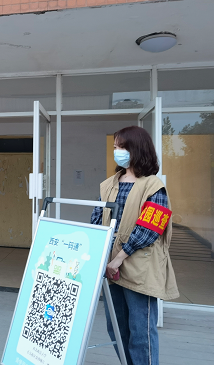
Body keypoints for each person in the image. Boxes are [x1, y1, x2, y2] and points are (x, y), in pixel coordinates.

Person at [90, 126, 179, 365]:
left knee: (141, 332)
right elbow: (96, 220)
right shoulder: (108, 184)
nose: (117, 151)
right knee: (117, 329)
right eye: (115, 147)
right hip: (110, 267)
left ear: (137, 149)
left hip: (140, 268)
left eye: (122, 147)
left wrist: (118, 259)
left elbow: (149, 230)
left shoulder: (154, 186)